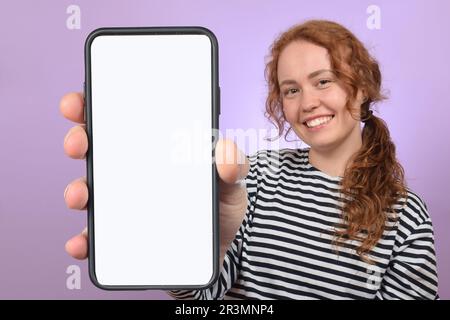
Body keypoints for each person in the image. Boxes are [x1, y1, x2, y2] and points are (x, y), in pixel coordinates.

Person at [60, 19, 438, 299]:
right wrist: (179, 247)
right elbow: (202, 302)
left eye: (323, 81)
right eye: (291, 90)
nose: (307, 103)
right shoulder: (255, 175)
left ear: (360, 88)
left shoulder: (407, 216)